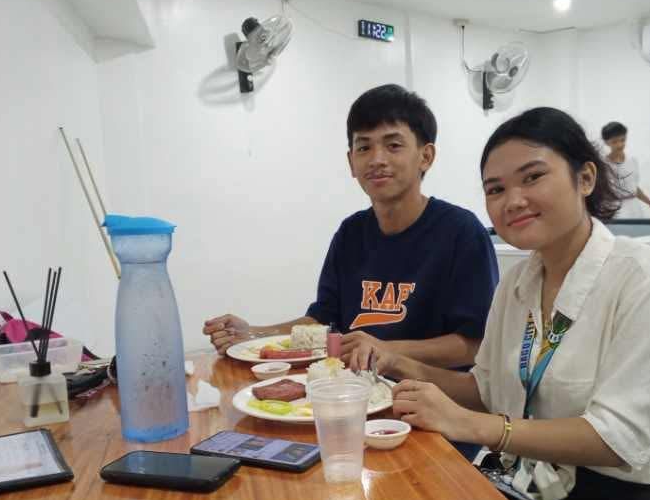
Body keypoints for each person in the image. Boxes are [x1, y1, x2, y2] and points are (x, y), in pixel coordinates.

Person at [332, 107, 650, 500]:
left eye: (532, 177)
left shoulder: (646, 278)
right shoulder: (521, 282)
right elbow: (483, 388)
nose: (513, 200)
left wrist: (474, 427)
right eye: (495, 189)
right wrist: (407, 365)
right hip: (532, 488)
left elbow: (619, 440)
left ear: (584, 178)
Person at [204, 84, 499, 372]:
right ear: (351, 162)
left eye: (393, 145)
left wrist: (389, 351)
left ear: (426, 156)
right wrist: (255, 333)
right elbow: (324, 321)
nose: (377, 159)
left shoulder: (461, 232)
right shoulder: (351, 233)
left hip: (434, 403)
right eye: (364, 147)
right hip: (354, 391)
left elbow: (475, 344)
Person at [601, 121, 650, 218]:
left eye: (623, 140)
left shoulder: (632, 160)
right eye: (615, 141)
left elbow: (634, 188)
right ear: (606, 142)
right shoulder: (603, 164)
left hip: (634, 207)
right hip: (616, 209)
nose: (620, 144)